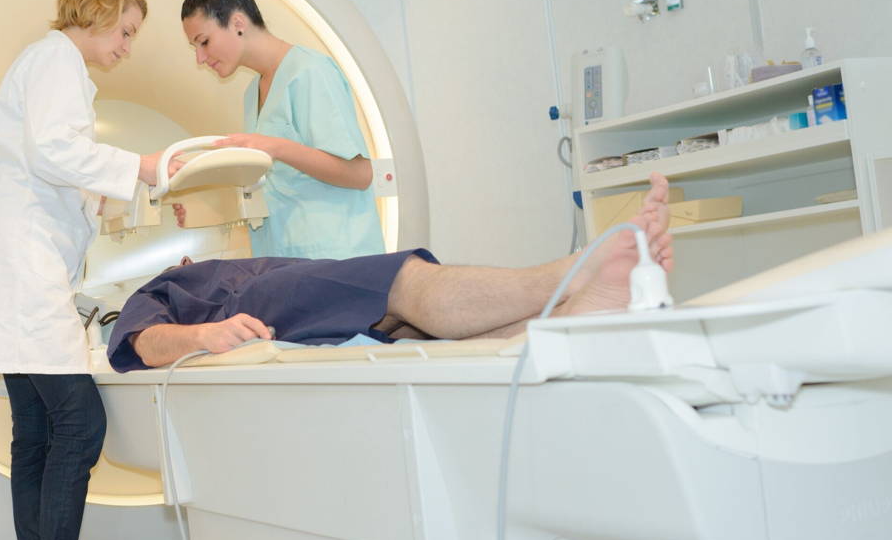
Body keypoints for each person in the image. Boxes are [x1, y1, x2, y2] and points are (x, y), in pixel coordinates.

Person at [0, 0, 179, 540]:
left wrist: (110, 195)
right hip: (23, 267)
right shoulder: (57, 60)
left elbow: (54, 165)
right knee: (79, 425)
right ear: (98, 11)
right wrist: (142, 165)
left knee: (34, 432)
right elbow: (54, 151)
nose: (127, 46)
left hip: (13, 265)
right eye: (126, 31)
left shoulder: (46, 64)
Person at [107, 174, 674, 372]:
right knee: (404, 287)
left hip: (285, 315)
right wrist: (203, 334)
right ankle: (568, 279)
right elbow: (140, 339)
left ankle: (573, 314)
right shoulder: (176, 285)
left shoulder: (220, 269)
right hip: (257, 309)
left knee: (426, 336)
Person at [171, 0, 385, 260]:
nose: (200, 58)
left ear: (238, 22)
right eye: (195, 48)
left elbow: (360, 174)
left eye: (204, 42)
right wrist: (205, 207)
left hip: (335, 259)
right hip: (281, 260)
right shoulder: (252, 94)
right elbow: (277, 188)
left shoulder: (309, 71)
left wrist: (276, 147)